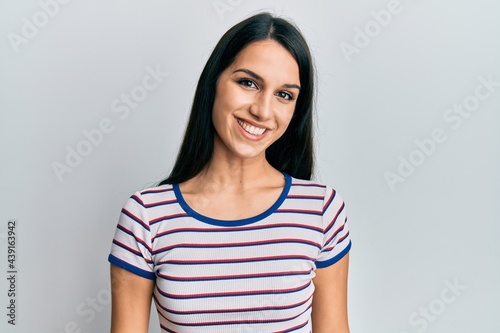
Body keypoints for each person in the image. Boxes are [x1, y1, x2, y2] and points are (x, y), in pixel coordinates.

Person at [108, 12, 351, 333]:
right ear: (214, 83)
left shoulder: (321, 210)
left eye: (284, 94)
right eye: (248, 83)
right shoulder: (146, 216)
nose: (263, 110)